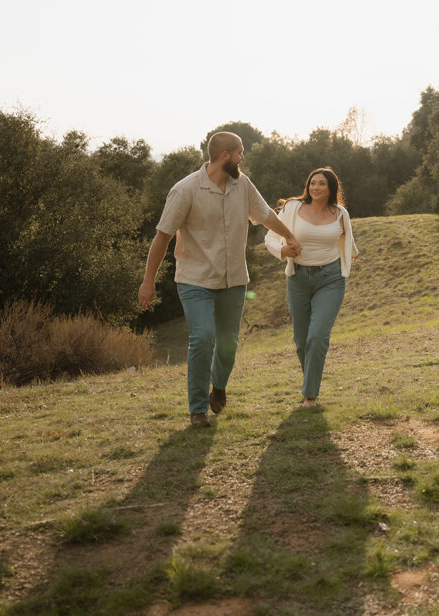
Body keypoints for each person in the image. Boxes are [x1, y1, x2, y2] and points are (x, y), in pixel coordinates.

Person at [139, 131, 300, 428]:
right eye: (240, 152)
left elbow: (265, 215)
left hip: (234, 279)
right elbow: (162, 237)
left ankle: (219, 386)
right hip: (194, 279)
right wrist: (148, 282)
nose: (243, 157)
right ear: (224, 155)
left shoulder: (243, 185)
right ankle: (197, 409)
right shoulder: (185, 190)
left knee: (228, 343)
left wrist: (289, 235)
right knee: (203, 338)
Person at [264, 167, 358, 408]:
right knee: (301, 340)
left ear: (331, 189)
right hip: (298, 279)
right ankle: (311, 384)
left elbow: (347, 241)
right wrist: (283, 250)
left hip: (331, 279)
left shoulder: (340, 213)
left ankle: (310, 395)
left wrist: (351, 255)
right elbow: (270, 238)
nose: (316, 187)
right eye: (313, 183)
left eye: (322, 184)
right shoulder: (292, 208)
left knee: (317, 336)